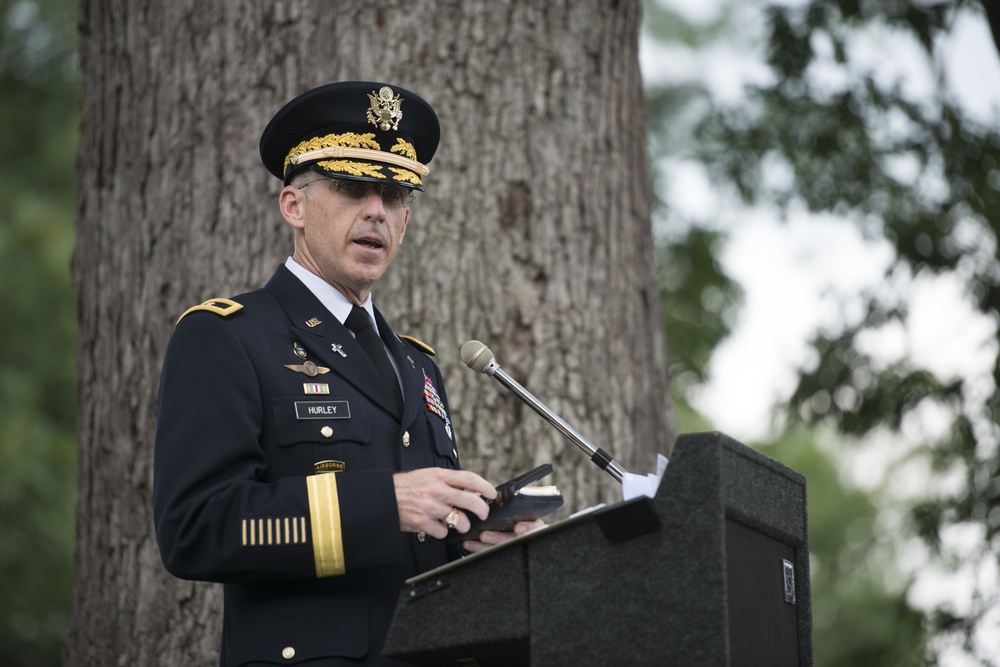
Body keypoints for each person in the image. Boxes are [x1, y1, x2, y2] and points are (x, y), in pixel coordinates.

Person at [153, 81, 543, 666]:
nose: (375, 212)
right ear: (295, 206)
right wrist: (384, 504)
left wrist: (478, 542)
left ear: (406, 221)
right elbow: (195, 529)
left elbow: (413, 544)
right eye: (351, 187)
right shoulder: (228, 335)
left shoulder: (417, 363)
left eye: (393, 195)